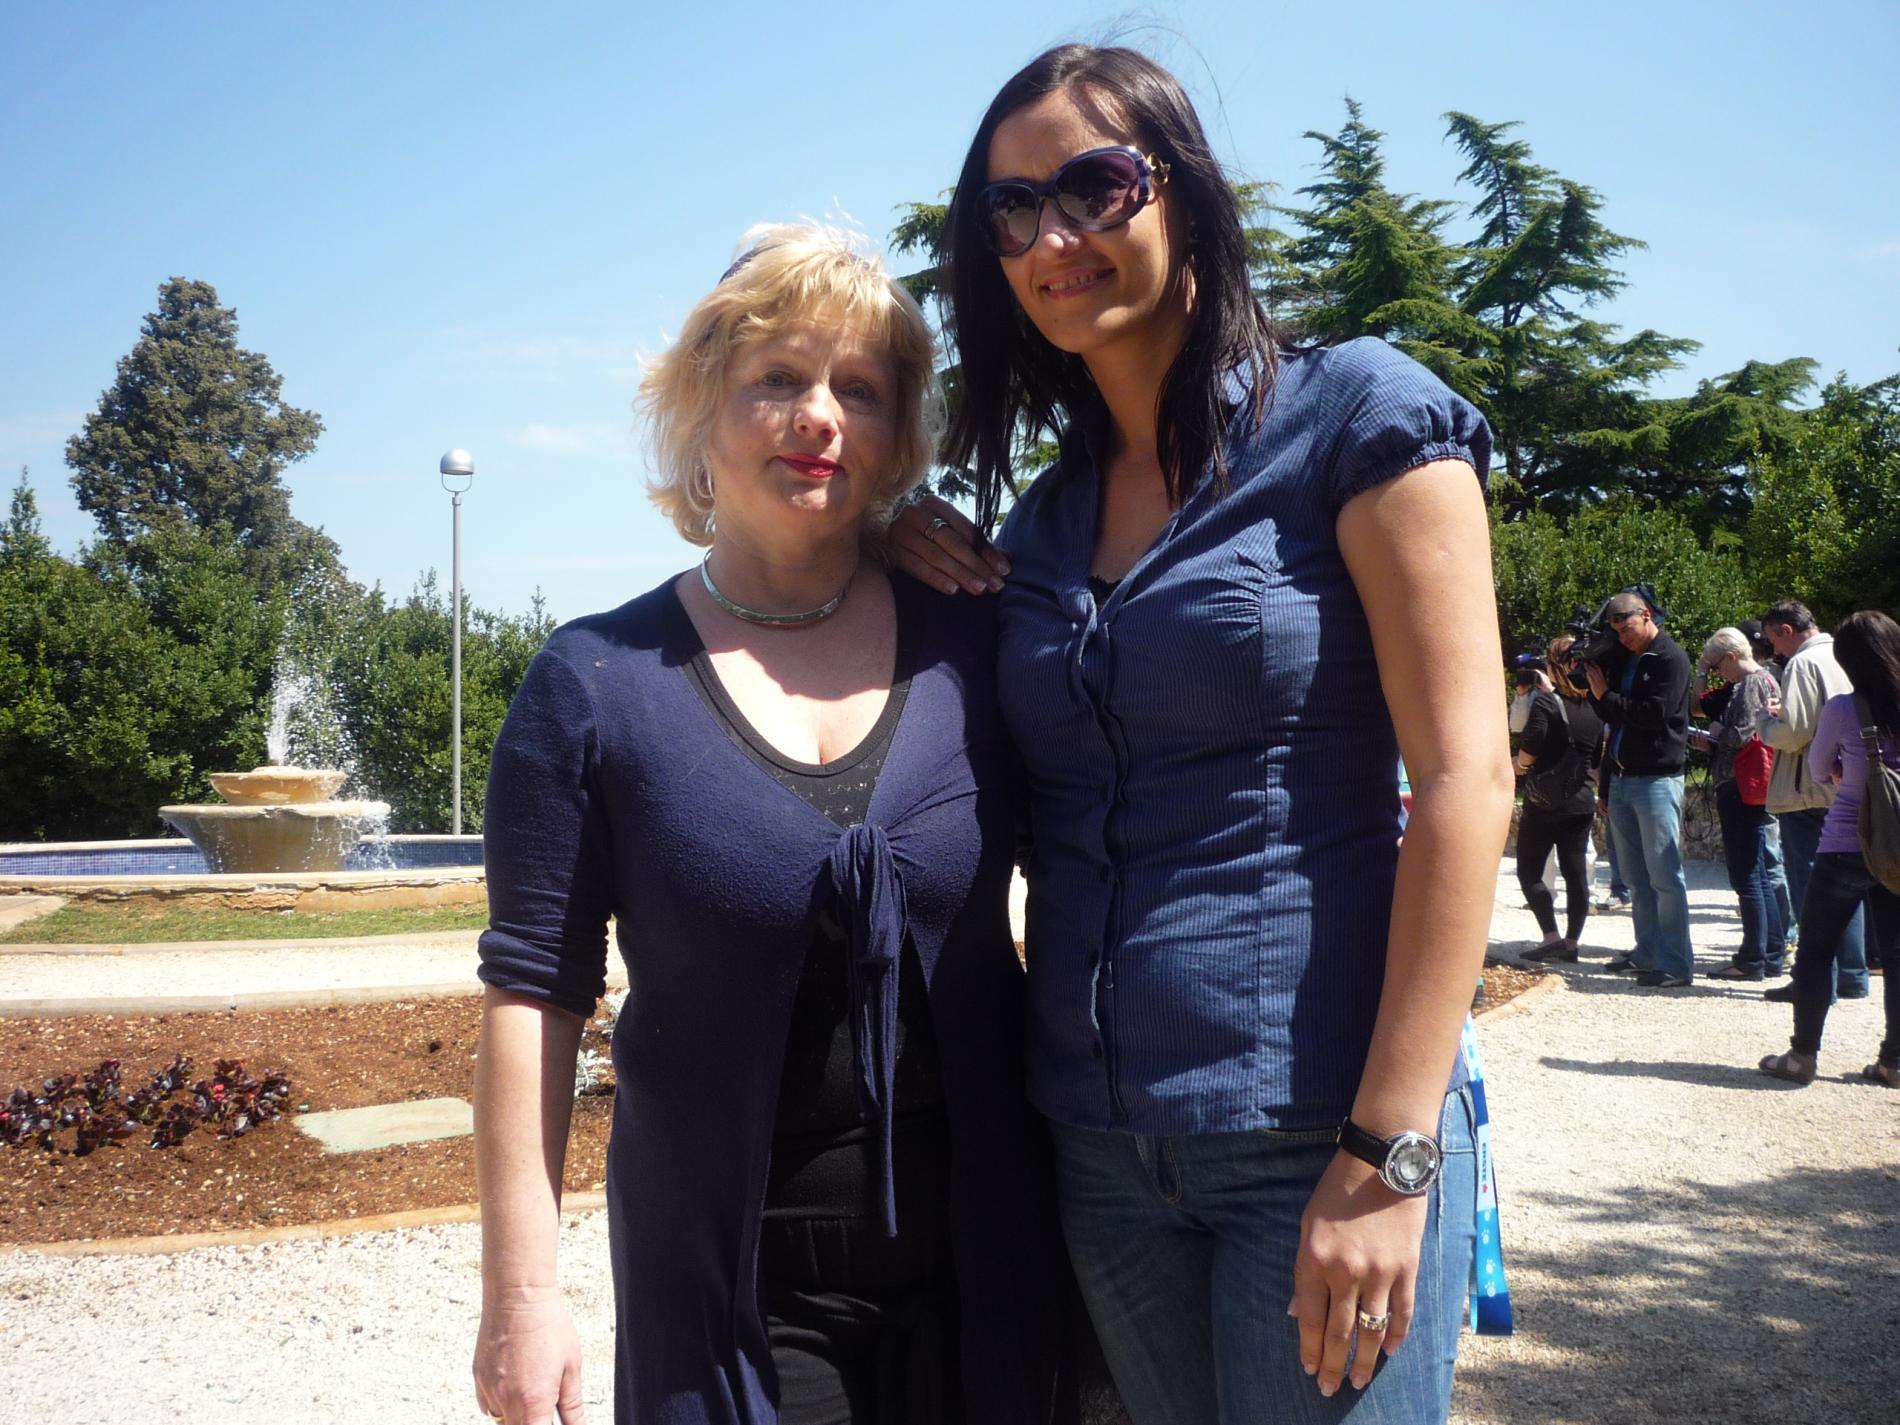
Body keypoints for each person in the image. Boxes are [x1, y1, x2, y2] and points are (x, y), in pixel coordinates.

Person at [888, 44, 1512, 1423]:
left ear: (1185, 191)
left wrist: (1391, 1153)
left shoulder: (1358, 417)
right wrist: (881, 541)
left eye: (1094, 186)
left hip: (1317, 1129)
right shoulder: (1039, 522)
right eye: (1010, 210)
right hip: (1098, 1150)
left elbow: (1468, 781)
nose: (1051, 237)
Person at [470, 226, 1071, 1425]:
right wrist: (521, 1298)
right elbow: (533, 994)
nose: (819, 417)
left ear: (898, 435)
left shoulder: (975, 641)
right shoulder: (594, 684)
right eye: (777, 380)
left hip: (991, 1276)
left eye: (861, 389)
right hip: (733, 1303)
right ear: (702, 411)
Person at [1756, 610, 1900, 1086]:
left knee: (1816, 951)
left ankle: (1802, 1057)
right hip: (1896, 848)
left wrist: (1846, 773)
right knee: (1897, 954)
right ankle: (1894, 1061)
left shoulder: (1842, 709)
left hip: (1844, 845)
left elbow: (1820, 771)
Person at [1583, 590, 1696, 987]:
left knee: (1665, 877)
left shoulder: (1670, 658)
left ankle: (1677, 964)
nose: (1623, 636)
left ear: (1646, 614)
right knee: (1635, 879)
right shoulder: (1626, 658)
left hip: (1657, 779)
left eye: (1626, 627)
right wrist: (1596, 689)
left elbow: (1653, 715)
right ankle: (1647, 954)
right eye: (1616, 630)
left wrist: (1607, 696)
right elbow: (1609, 715)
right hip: (1623, 779)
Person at [1758, 599, 1868, 1003]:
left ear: (1787, 630)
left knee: (1811, 887)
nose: (1774, 650)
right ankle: (1852, 975)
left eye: (1773, 640)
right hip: (1848, 786)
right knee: (1848, 884)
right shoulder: (1845, 656)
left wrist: (1766, 721)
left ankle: (1817, 979)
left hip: (1808, 789)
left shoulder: (1803, 663)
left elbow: (1795, 733)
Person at [1692, 627, 1786, 980]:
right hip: (1756, 785)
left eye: (1718, 666)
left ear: (1731, 656)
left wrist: (1716, 732)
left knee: (1746, 875)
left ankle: (1752, 959)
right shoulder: (1769, 680)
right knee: (1758, 872)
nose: (1719, 673)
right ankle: (1771, 953)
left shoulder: (1750, 684)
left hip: (1740, 785)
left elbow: (1741, 734)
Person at [1516, 641, 1605, 964]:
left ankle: (1551, 936)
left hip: (1544, 801)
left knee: (1529, 871)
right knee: (1575, 873)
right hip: (1580, 799)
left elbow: (1531, 744)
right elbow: (1597, 757)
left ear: (1552, 666)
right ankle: (1571, 943)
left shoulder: (1546, 702)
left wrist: (1520, 765)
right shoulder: (1594, 705)